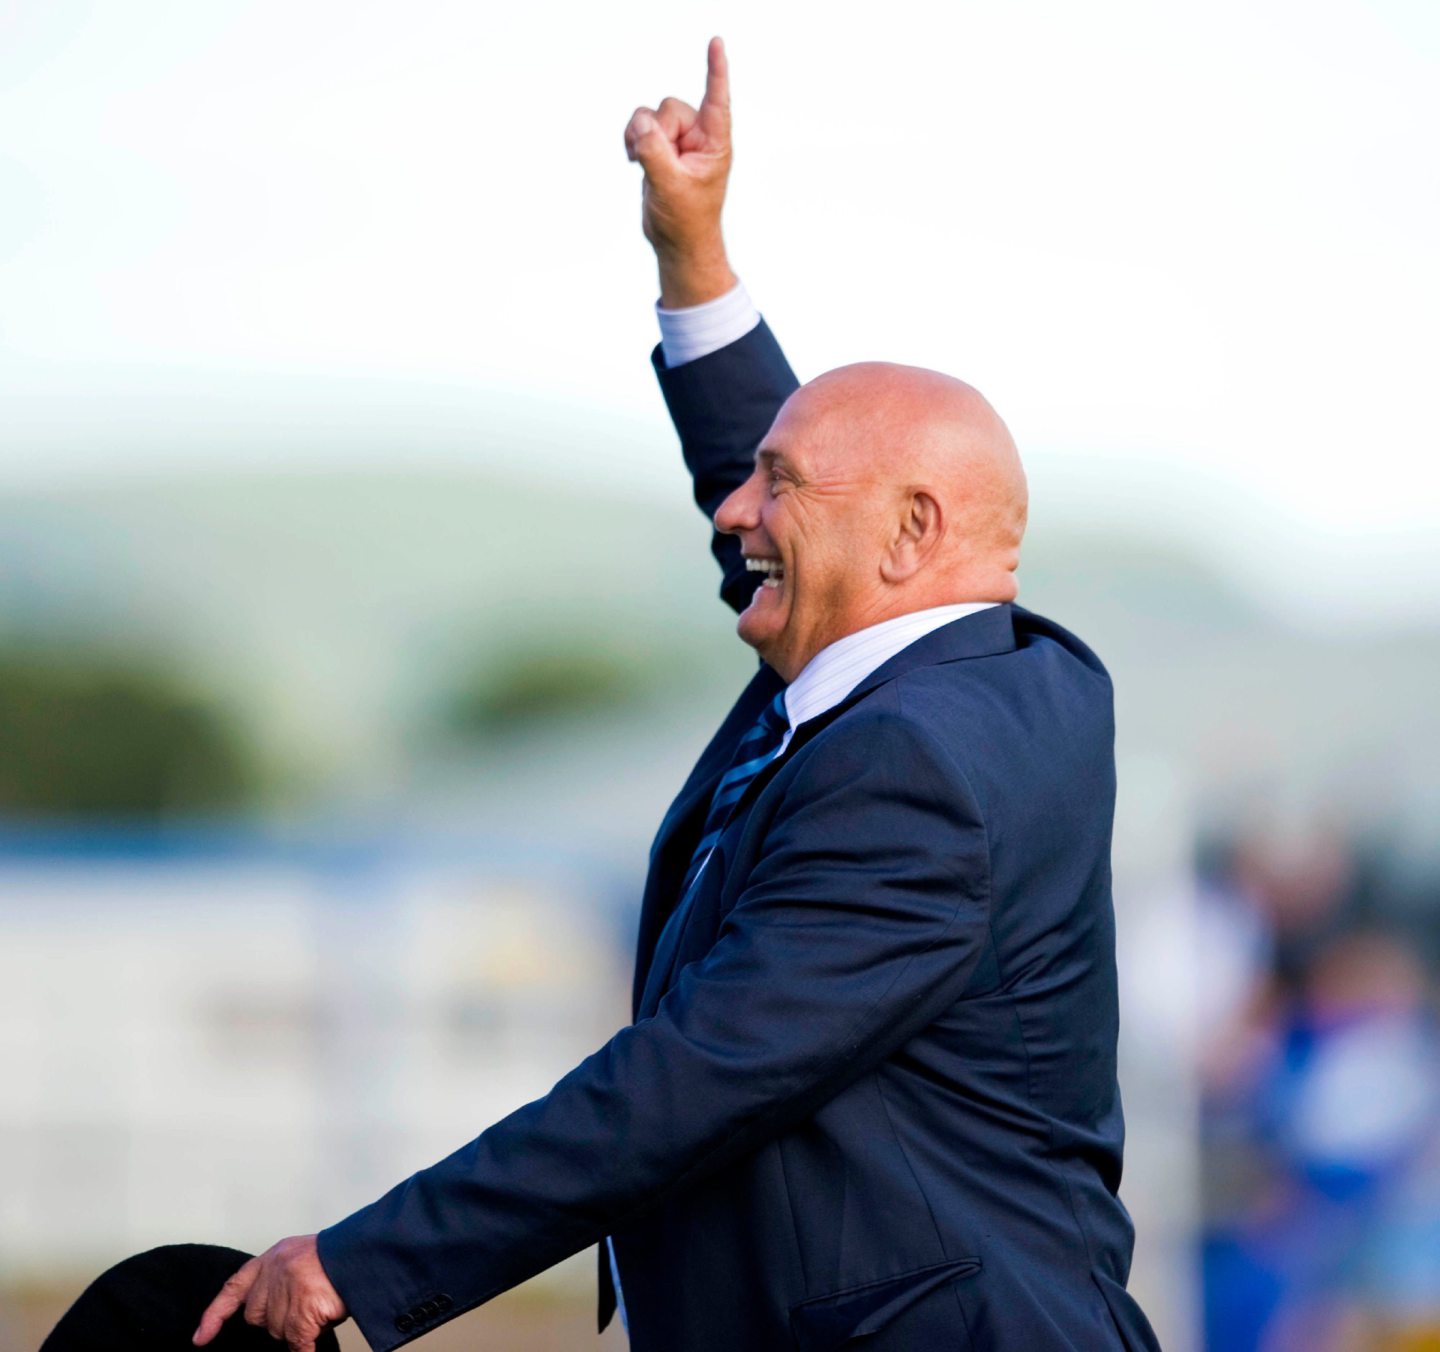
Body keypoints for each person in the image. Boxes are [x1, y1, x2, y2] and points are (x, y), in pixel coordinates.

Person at [195, 39, 1159, 1352]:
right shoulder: (984, 674)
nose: (733, 510)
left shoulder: (913, 771)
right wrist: (692, 255)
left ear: (910, 534)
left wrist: (361, 1264)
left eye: (774, 485)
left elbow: (687, 1083)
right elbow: (819, 491)